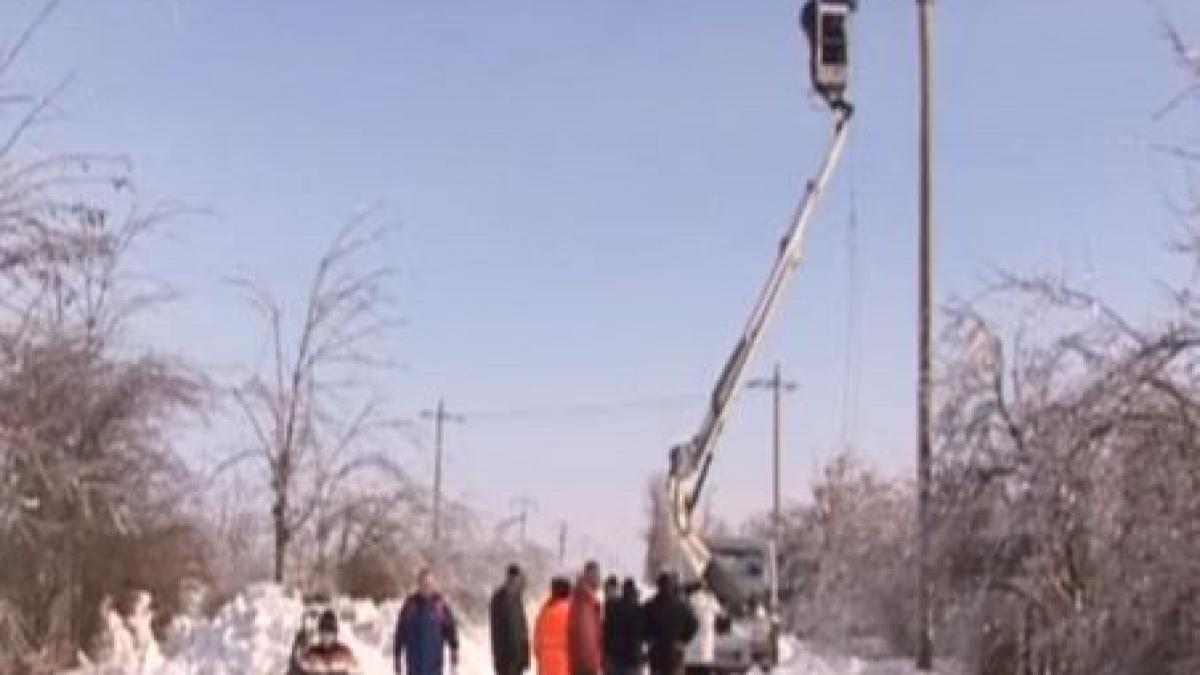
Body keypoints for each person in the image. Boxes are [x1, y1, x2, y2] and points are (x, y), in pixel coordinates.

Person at [395, 568, 460, 675]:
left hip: (434, 667)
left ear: (433, 585)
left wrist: (454, 654)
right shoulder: (410, 606)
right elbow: (400, 633)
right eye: (423, 584)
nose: (426, 588)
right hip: (414, 667)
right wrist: (397, 657)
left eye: (429, 584)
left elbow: (451, 631)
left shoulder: (440, 606)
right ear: (418, 585)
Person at [641, 573, 698, 675]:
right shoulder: (682, 606)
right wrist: (683, 640)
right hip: (675, 651)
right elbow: (694, 624)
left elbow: (641, 626)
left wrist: (649, 639)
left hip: (657, 651)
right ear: (671, 586)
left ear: (658, 586)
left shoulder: (649, 606)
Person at [490, 564, 531, 675]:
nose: (523, 584)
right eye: (521, 580)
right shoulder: (504, 599)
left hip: (514, 660)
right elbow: (510, 632)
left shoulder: (514, 599)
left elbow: (521, 630)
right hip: (508, 661)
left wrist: (524, 657)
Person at [567, 561, 604, 675]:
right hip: (584, 665)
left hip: (584, 662)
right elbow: (585, 634)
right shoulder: (583, 599)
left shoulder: (587, 598)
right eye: (597, 575)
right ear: (589, 575)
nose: (599, 578)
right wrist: (590, 663)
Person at [296, 610, 359, 675]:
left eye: (329, 633)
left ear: (335, 634)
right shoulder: (311, 654)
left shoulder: (344, 653)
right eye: (323, 632)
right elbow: (301, 667)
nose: (326, 636)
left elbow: (355, 668)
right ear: (320, 633)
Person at [604, 579, 644, 675]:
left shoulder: (612, 609)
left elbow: (606, 632)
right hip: (633, 661)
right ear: (634, 592)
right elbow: (643, 634)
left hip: (615, 660)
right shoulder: (638, 610)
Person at [534, 577, 572, 675]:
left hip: (545, 662)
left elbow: (537, 640)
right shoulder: (570, 610)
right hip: (565, 663)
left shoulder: (544, 610)